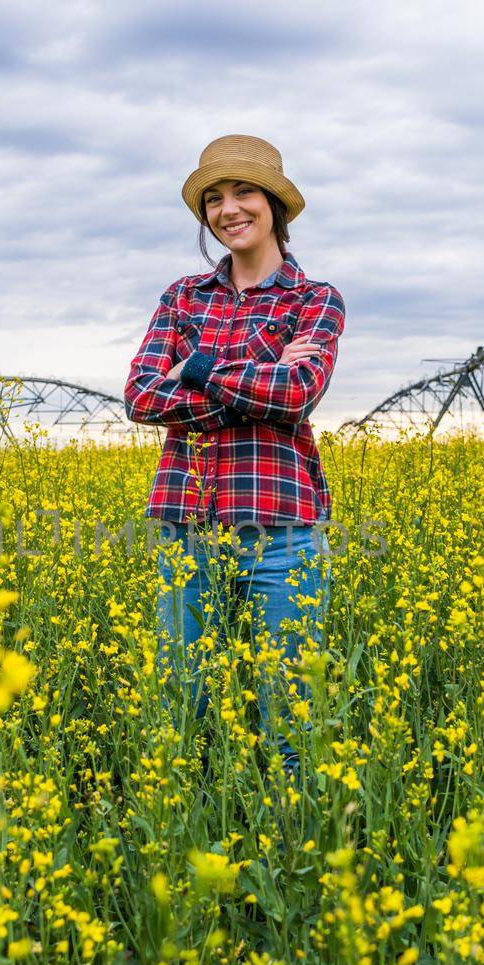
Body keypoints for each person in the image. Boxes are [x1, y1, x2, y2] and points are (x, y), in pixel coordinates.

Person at [123, 133, 347, 780]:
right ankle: (187, 854)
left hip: (281, 528)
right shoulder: (182, 296)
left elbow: (297, 392)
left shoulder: (314, 300)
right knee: (184, 706)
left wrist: (192, 371)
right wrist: (253, 377)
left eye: (243, 192)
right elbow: (141, 395)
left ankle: (293, 858)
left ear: (274, 202)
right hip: (185, 525)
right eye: (214, 199)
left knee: (289, 718)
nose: (228, 209)